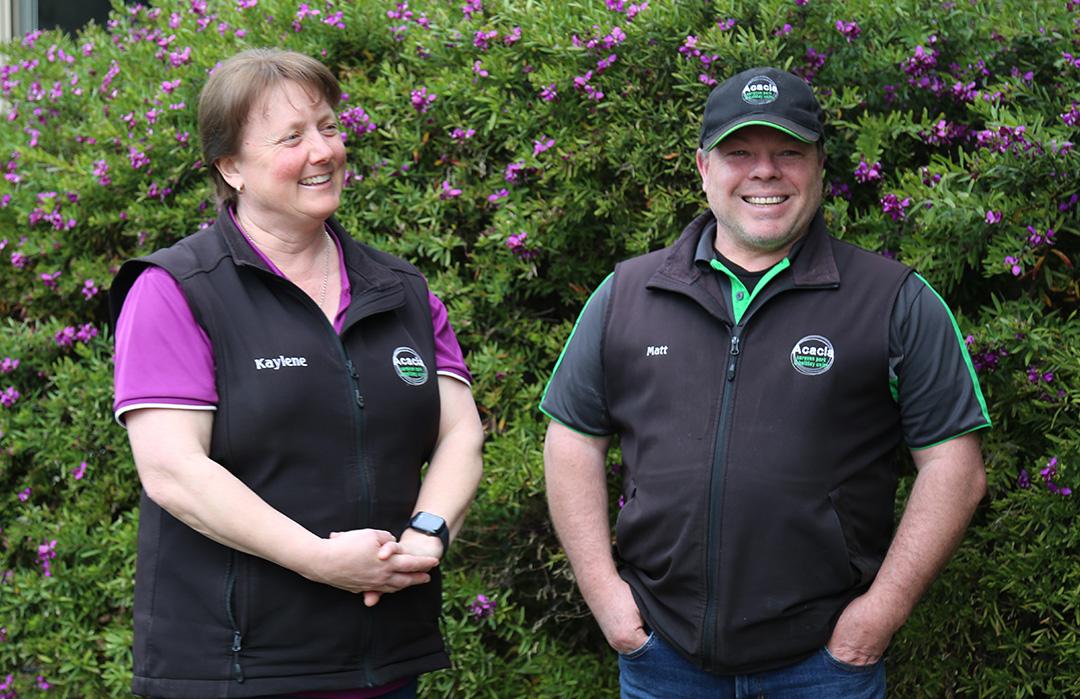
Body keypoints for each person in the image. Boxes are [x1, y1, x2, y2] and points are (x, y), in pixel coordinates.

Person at [541, 66, 990, 698]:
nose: (764, 172)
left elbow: (956, 469)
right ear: (703, 168)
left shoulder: (896, 302)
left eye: (787, 152)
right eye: (739, 153)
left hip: (824, 665)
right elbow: (572, 442)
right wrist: (609, 602)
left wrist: (876, 618)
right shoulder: (626, 295)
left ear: (820, 166)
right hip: (662, 660)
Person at [110, 49, 484, 699]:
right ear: (231, 167)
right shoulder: (177, 290)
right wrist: (318, 559)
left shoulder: (400, 289)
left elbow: (461, 434)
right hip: (236, 672)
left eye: (330, 127)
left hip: (383, 662)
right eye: (292, 137)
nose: (323, 151)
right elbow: (173, 470)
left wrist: (429, 532)